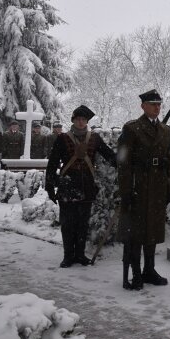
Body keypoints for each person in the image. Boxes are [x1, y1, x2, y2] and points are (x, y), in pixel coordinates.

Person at [117, 89, 170, 290]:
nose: (157, 107)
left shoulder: (166, 131)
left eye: (159, 104)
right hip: (139, 187)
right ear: (143, 106)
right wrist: (126, 191)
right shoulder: (132, 128)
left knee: (152, 231)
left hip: (158, 188)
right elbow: (123, 163)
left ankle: (149, 270)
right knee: (136, 233)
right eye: (153, 104)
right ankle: (136, 273)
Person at [45, 105, 116, 268]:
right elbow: (53, 163)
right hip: (67, 185)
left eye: (83, 120)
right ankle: (68, 256)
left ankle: (80, 254)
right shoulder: (62, 138)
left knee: (83, 223)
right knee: (67, 223)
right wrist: (50, 185)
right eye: (78, 119)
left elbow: (109, 156)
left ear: (87, 121)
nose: (81, 122)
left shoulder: (95, 138)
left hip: (86, 186)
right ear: (73, 121)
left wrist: (124, 164)